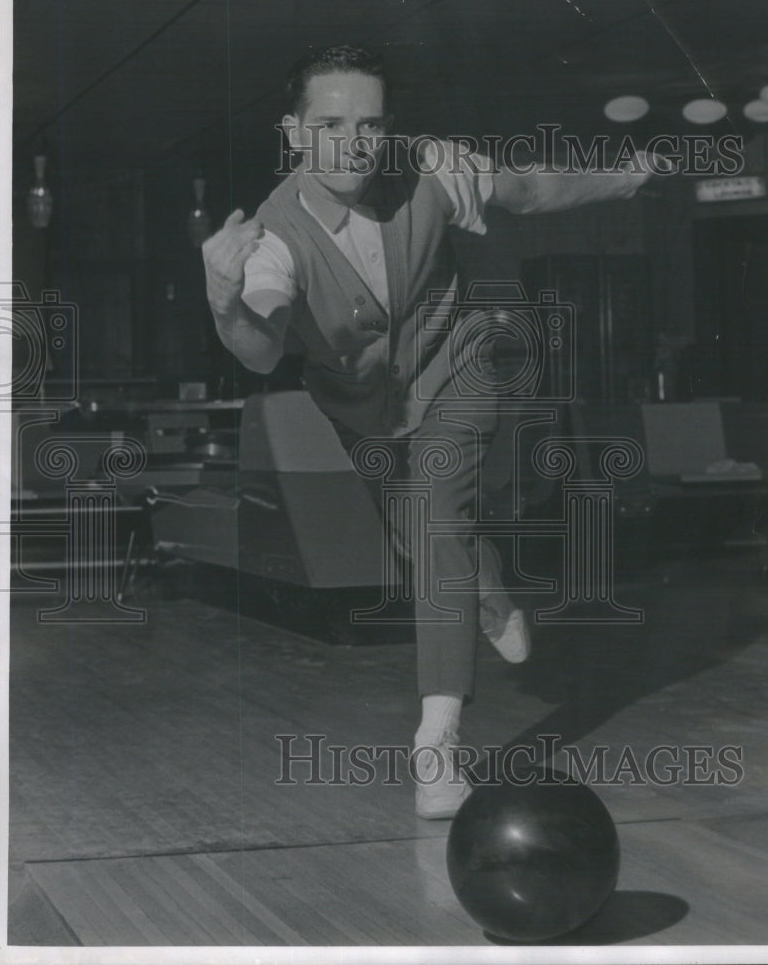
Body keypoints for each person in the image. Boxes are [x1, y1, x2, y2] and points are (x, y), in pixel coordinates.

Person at [203, 45, 653, 819]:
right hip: (360, 409)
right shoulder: (274, 237)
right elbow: (263, 346)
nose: (356, 143)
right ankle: (490, 593)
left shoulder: (430, 167)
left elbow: (530, 188)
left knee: (439, 517)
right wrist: (222, 293)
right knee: (422, 538)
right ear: (295, 133)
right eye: (332, 123)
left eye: (371, 123)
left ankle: (436, 747)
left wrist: (628, 174)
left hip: (460, 367)